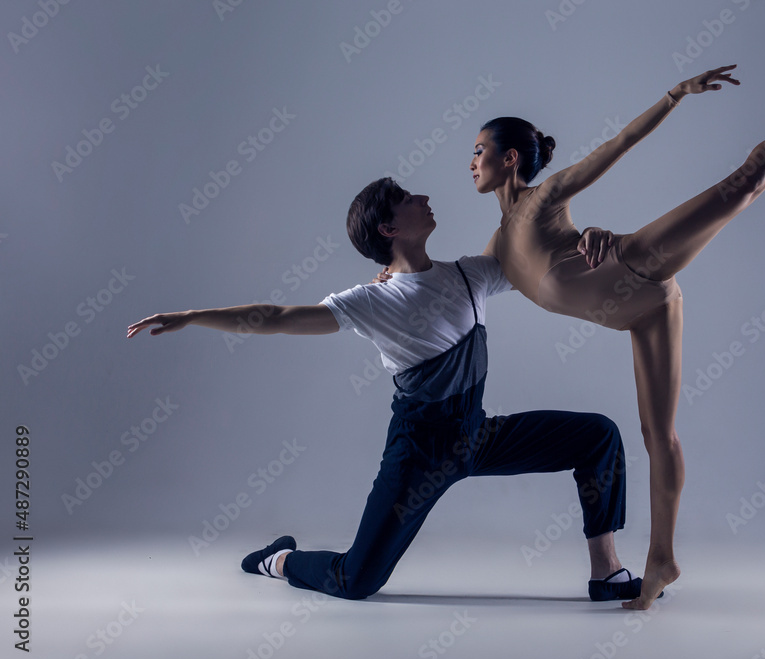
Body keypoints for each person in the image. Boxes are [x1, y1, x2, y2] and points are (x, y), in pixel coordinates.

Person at [465, 62, 765, 609]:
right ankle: (661, 560)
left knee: (746, 180)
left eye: (479, 150)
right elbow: (451, 285)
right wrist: (394, 268)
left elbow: (620, 143)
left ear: (510, 158)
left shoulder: (543, 199)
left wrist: (675, 94)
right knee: (659, 438)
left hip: (638, 263)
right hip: (646, 313)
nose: (471, 162)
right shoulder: (495, 250)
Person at [126, 178, 647, 602]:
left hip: (476, 437)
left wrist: (589, 237)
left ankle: (607, 574)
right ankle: (278, 559)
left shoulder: (469, 275)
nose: (424, 197)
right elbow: (279, 317)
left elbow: (543, 261)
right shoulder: (372, 301)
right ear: (388, 227)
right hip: (418, 452)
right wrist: (193, 316)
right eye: (408, 199)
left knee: (597, 436)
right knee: (358, 581)